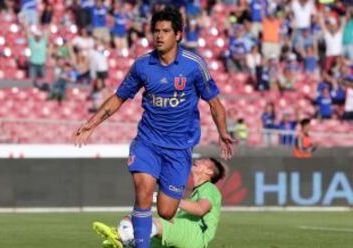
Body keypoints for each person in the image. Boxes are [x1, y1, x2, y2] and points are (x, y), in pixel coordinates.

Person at [73, 7, 234, 248]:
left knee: (167, 211)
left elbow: (215, 104)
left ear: (178, 35)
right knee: (143, 192)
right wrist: (91, 124)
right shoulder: (142, 66)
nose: (159, 36)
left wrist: (223, 132)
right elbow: (118, 97)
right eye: (156, 31)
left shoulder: (193, 65)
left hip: (179, 149)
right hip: (147, 142)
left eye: (166, 31)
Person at [92, 158, 226, 248]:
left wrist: (172, 200)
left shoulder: (210, 189)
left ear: (209, 172)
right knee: (134, 218)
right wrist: (158, 198)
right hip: (182, 233)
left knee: (152, 223)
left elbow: (200, 209)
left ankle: (119, 236)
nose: (197, 160)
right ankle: (123, 240)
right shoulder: (194, 193)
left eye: (203, 161)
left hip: (195, 235)